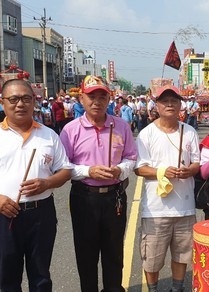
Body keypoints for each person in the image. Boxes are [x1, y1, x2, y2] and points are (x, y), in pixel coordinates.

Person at [0, 79, 73, 291]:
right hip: (4, 214)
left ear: (34, 102)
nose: (20, 104)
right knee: (8, 275)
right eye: (13, 99)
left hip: (41, 214)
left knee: (41, 276)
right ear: (2, 103)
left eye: (26, 99)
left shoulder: (48, 135)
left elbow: (65, 170)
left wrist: (47, 183)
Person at [60, 75, 138, 292]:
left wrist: (120, 170)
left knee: (114, 252)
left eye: (102, 96)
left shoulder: (121, 126)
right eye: (91, 96)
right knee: (86, 253)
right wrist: (89, 171)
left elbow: (131, 158)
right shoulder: (71, 130)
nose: (97, 101)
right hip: (85, 197)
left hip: (114, 198)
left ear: (109, 99)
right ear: (81, 99)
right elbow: (63, 167)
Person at [134, 85, 200, 292]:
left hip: (185, 207)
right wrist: (163, 172)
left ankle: (177, 288)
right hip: (156, 209)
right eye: (165, 101)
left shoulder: (189, 131)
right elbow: (140, 169)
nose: (170, 104)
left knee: (182, 254)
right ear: (157, 105)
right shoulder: (146, 134)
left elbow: (197, 163)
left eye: (174, 100)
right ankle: (153, 289)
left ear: (181, 104)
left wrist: (189, 171)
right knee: (152, 257)